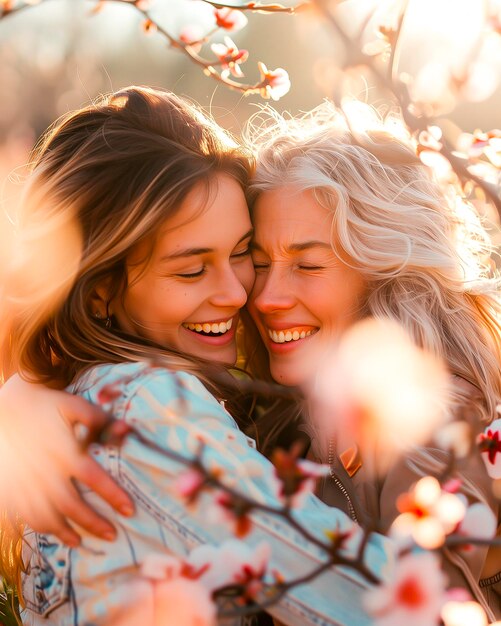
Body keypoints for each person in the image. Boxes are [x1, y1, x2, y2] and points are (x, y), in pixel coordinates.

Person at [0, 86, 390, 626]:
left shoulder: (65, 399)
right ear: (99, 290)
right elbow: (365, 600)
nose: (235, 293)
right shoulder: (148, 409)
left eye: (240, 254)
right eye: (190, 270)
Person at [243, 102, 501, 620]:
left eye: (307, 265)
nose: (267, 297)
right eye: (260, 264)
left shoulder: (437, 426)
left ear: (382, 272)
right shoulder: (295, 410)